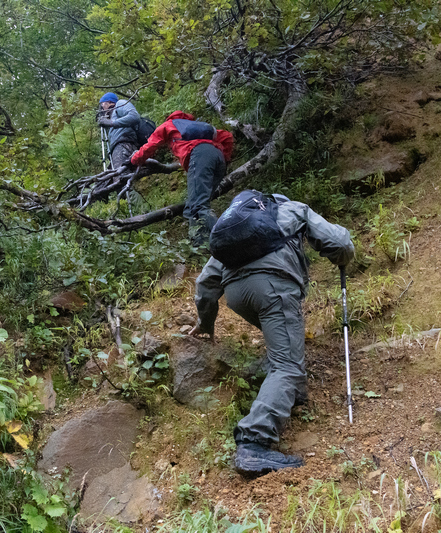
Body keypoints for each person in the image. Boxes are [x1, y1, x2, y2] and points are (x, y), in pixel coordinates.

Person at [190, 193, 354, 477]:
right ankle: (253, 441)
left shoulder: (236, 232)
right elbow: (339, 242)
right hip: (273, 288)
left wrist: (206, 322)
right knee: (286, 365)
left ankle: (293, 394)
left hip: (237, 296)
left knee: (285, 351)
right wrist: (343, 258)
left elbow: (205, 283)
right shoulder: (290, 209)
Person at [127, 111, 234, 247]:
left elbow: (150, 146)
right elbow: (227, 136)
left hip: (199, 155)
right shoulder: (196, 124)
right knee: (195, 204)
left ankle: (228, 241)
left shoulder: (169, 125)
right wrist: (225, 158)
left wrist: (133, 160)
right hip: (218, 157)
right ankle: (199, 244)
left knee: (199, 206)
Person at [97, 93, 141, 169]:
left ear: (109, 102)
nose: (102, 107)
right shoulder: (114, 117)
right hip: (119, 147)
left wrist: (111, 123)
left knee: (120, 177)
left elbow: (134, 116)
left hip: (124, 144)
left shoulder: (120, 104)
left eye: (102, 104)